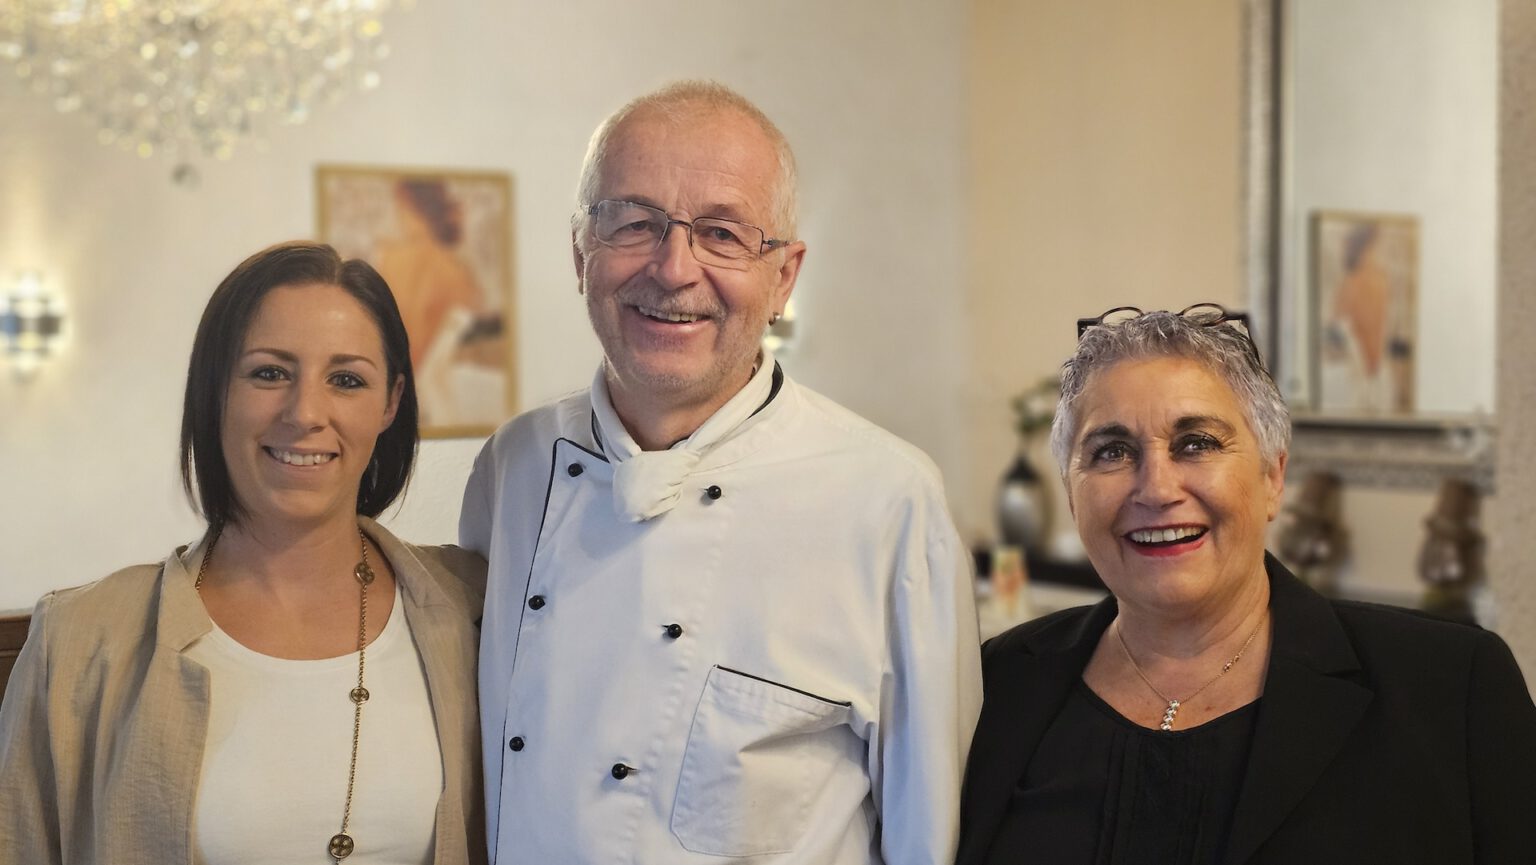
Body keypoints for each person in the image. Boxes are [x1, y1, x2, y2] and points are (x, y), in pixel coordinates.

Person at [460, 81, 982, 864]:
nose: (674, 268)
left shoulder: (888, 500)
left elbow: (930, 834)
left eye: (723, 234)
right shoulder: (515, 465)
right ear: (579, 254)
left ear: (784, 277)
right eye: (634, 223)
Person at [957, 304, 1536, 864]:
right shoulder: (996, 687)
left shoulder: (1452, 688)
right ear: (1071, 494)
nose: (1156, 489)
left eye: (1197, 443)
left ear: (1273, 477)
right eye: (1112, 451)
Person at [0, 242, 489, 865]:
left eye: (346, 380)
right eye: (269, 373)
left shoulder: (474, 609)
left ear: (390, 402)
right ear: (215, 390)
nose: (305, 413)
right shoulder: (78, 640)